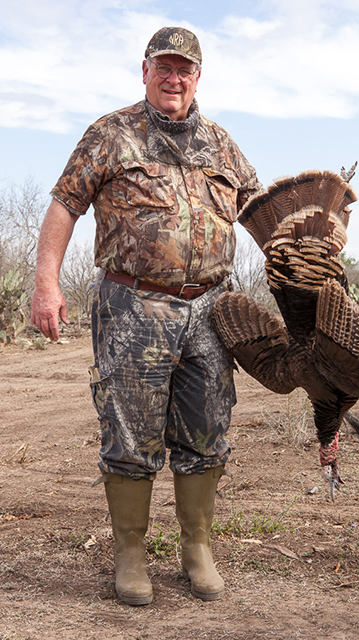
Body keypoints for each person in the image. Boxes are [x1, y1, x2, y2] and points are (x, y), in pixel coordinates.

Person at [31, 26, 261, 606]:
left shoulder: (223, 145)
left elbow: (261, 213)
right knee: (129, 432)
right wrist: (46, 283)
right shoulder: (110, 134)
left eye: (185, 69)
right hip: (133, 304)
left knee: (207, 429)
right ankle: (131, 555)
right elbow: (65, 205)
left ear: (198, 77)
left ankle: (197, 550)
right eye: (164, 66)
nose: (174, 77)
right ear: (145, 71)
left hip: (211, 309)